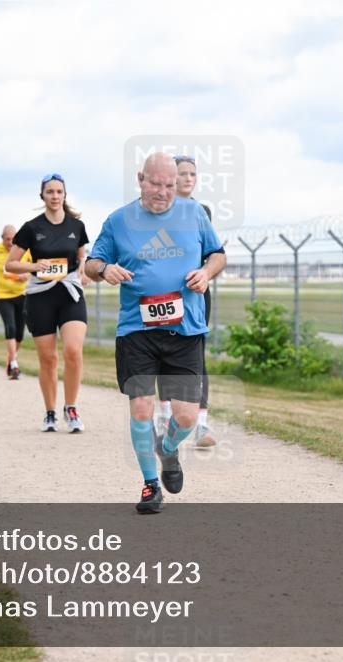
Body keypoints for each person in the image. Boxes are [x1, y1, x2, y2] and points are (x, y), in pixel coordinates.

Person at [84, 153, 226, 514]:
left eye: (169, 185)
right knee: (142, 407)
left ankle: (167, 447)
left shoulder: (193, 213)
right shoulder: (118, 221)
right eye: (155, 184)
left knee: (186, 418)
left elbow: (218, 255)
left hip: (184, 329)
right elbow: (92, 263)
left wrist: (207, 273)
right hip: (137, 330)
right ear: (140, 179)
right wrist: (105, 270)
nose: (162, 192)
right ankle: (150, 486)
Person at [5, 173, 89, 433]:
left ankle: (71, 408)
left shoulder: (76, 226)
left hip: (69, 292)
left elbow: (81, 254)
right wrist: (33, 265)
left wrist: (83, 272)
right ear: (42, 195)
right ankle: (50, 412)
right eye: (50, 192)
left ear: (65, 195)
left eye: (59, 192)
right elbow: (10, 263)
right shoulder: (31, 227)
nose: (55, 196)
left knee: (73, 351)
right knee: (48, 358)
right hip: (40, 295)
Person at [162, 155, 217, 447]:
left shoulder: (201, 211)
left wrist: (205, 272)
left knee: (197, 354)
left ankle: (202, 425)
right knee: (162, 350)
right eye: (182, 173)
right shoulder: (156, 211)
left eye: (192, 174)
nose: (187, 179)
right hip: (163, 294)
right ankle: (164, 414)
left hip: (195, 293)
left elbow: (211, 251)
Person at [0, 225, 31, 379]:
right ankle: (14, 364)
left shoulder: (25, 249)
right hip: (3, 295)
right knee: (10, 326)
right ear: (2, 238)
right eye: (7, 239)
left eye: (13, 239)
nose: (10, 242)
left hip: (22, 294)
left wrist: (27, 273)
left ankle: (11, 360)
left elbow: (35, 266)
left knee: (19, 332)